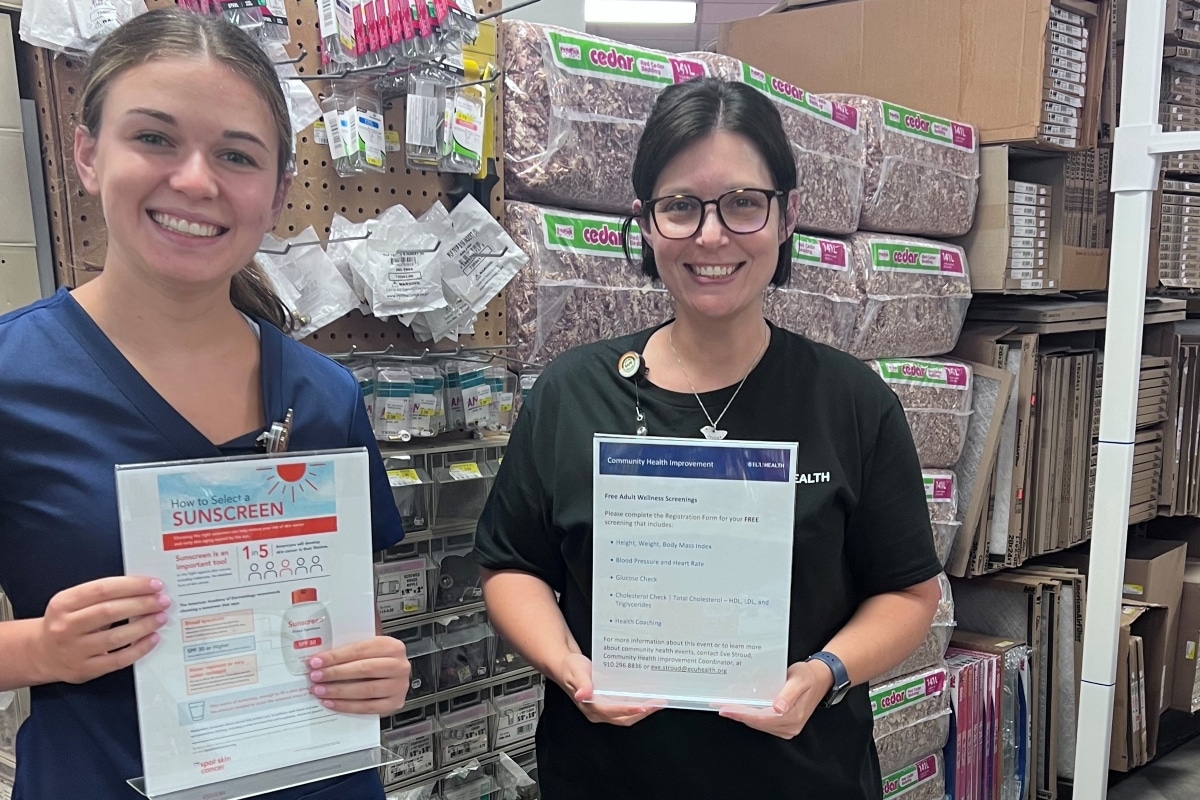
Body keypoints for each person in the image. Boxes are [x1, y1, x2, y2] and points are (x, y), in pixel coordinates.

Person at [475, 77, 944, 798]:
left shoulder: (851, 402)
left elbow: (908, 594)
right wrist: (572, 670)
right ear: (645, 221)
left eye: (744, 204)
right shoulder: (573, 394)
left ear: (787, 217)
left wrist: (826, 673)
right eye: (681, 207)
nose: (712, 235)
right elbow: (511, 568)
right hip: (610, 775)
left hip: (799, 777)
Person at [0, 10, 409, 799]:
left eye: (236, 155)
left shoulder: (325, 395)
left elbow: (340, 620)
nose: (195, 179)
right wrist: (37, 651)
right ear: (88, 155)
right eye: (153, 138)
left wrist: (376, 673)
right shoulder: (14, 379)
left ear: (278, 190)